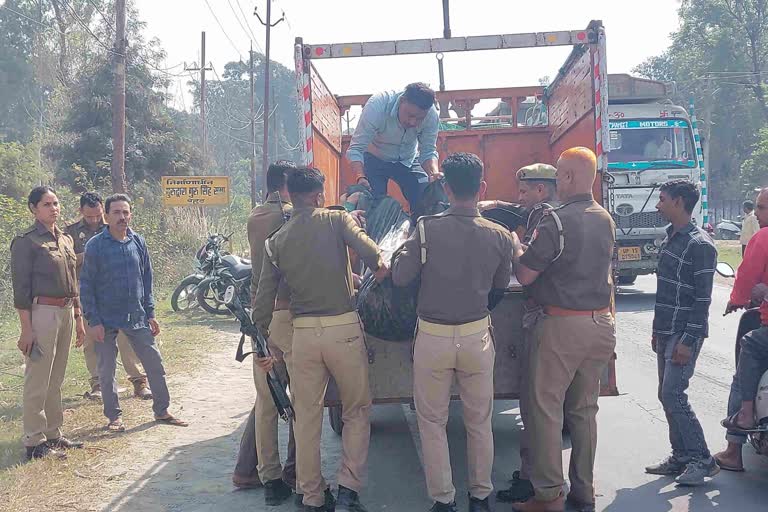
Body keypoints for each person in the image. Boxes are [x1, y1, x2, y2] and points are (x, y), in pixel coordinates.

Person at [253, 167, 388, 512]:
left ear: (290, 194)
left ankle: (311, 495)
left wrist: (263, 342)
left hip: (302, 334)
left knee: (306, 415)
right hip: (342, 328)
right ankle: (348, 490)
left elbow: (264, 299)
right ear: (317, 195)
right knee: (356, 410)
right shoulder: (336, 221)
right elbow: (374, 256)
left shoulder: (276, 241)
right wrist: (381, 271)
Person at [391, 152, 515, 512]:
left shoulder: (427, 229)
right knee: (480, 421)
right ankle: (480, 498)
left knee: (432, 423)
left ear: (445, 186)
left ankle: (443, 500)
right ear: (483, 188)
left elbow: (401, 278)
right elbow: (499, 288)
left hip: (433, 337)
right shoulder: (500, 234)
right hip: (477, 335)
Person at [509, 148, 616, 512]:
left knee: (545, 410)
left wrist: (514, 248)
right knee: (584, 411)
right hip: (601, 323)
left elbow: (525, 274)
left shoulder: (556, 221)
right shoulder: (605, 218)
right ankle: (583, 490)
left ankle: (548, 495)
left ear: (568, 178)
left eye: (559, 176)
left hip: (561, 325)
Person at [80, 193, 186, 431]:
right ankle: (114, 417)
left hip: (136, 315)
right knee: (107, 370)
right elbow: (86, 285)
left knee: (154, 364)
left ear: (131, 215)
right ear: (106, 216)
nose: (122, 217)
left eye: (125, 212)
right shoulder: (95, 246)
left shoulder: (138, 241)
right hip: (105, 319)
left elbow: (146, 279)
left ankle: (162, 410)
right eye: (116, 212)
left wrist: (150, 313)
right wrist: (93, 320)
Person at [486, 163, 558, 503]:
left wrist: (513, 244)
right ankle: (563, 487)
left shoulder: (546, 220)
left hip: (545, 319)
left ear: (541, 191)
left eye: (525, 190)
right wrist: (488, 205)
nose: (520, 197)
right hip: (568, 319)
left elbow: (526, 271)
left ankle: (536, 485)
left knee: (535, 407)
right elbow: (510, 208)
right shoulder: (551, 214)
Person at [644, 179, 719, 486]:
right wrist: (655, 331)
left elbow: (702, 300)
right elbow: (665, 292)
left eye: (662, 199)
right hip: (665, 328)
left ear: (678, 202)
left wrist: (688, 340)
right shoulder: (671, 237)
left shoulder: (700, 245)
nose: (658, 205)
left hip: (684, 332)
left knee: (673, 393)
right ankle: (681, 457)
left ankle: (703, 459)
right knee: (666, 395)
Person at [231, 161, 297, 503]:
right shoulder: (288, 215)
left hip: (261, 316)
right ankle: (295, 472)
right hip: (288, 313)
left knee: (268, 400)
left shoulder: (255, 216)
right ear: (286, 186)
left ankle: (269, 478)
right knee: (301, 397)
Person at [11, 186, 86, 460]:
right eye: (46, 204)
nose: (53, 208)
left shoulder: (65, 239)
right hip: (41, 310)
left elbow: (73, 282)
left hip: (66, 310)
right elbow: (21, 288)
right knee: (38, 377)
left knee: (57, 377)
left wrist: (79, 318)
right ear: (33, 208)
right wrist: (26, 328)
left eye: (55, 203)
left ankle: (54, 432)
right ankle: (34, 440)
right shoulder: (26, 242)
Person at [66, 192, 151, 401]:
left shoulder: (113, 227)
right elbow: (66, 262)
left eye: (97, 216)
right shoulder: (69, 233)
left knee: (127, 337)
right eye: (89, 216)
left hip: (118, 293)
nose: (94, 220)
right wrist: (89, 255)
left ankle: (139, 381)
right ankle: (98, 383)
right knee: (93, 339)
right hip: (87, 293)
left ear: (103, 212)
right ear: (81, 212)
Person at [715, 187, 768, 472]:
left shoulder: (763, 238)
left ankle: (737, 439)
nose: (757, 214)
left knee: (750, 345)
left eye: (762, 208)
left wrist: (736, 301)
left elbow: (746, 277)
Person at [346, 82, 441, 218]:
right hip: (375, 158)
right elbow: (356, 149)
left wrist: (434, 174)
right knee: (374, 205)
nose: (413, 122)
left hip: (408, 159)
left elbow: (428, 151)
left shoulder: (431, 114)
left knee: (427, 196)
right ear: (401, 101)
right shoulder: (377, 106)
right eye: (410, 115)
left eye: (419, 118)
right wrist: (360, 177)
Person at [478, 163, 558, 246]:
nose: (520, 198)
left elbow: (526, 256)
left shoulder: (544, 214)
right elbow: (522, 212)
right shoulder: (559, 209)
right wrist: (496, 204)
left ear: (540, 190)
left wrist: (511, 239)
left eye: (523, 192)